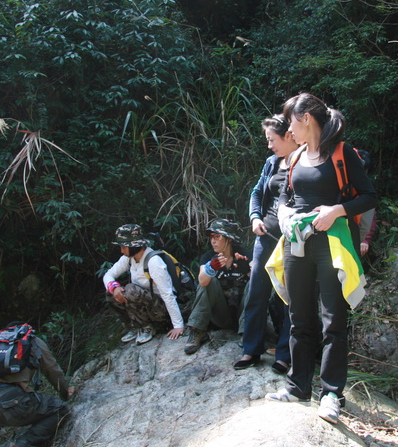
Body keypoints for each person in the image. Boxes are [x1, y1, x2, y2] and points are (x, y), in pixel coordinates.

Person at [265, 92, 376, 425]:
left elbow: (370, 196)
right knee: (298, 316)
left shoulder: (343, 154)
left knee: (333, 320)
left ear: (306, 119)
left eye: (290, 123)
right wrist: (284, 213)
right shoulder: (296, 157)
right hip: (297, 243)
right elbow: (284, 195)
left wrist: (337, 210)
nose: (289, 131)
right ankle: (299, 386)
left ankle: (331, 394)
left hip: (333, 244)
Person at [234, 114, 298, 373]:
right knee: (256, 292)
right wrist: (254, 217)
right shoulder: (272, 163)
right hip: (265, 236)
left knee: (289, 298)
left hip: (292, 241)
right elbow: (257, 192)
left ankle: (285, 354)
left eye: (272, 140)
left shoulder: (305, 163)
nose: (269, 145)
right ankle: (251, 350)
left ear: (288, 136)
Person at [102, 224, 185, 344]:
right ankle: (134, 327)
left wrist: (178, 325)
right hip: (144, 306)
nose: (122, 251)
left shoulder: (154, 262)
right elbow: (108, 275)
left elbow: (167, 294)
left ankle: (147, 328)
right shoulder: (128, 258)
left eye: (124, 247)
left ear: (135, 245)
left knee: (130, 289)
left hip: (161, 312)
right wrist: (114, 288)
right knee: (110, 293)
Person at [184, 219, 251, 355]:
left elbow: (260, 276)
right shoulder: (208, 257)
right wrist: (211, 268)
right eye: (211, 238)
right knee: (208, 281)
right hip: (221, 315)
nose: (213, 241)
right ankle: (197, 330)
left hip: (242, 313)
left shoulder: (244, 254)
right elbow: (202, 281)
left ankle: (248, 332)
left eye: (217, 237)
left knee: (254, 283)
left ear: (229, 239)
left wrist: (250, 266)